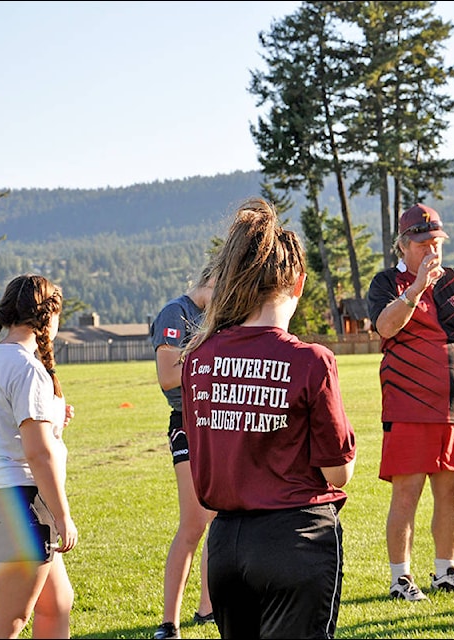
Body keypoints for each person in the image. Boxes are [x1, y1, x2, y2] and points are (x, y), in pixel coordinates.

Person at [181, 197, 356, 639]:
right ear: (298, 282)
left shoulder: (198, 357)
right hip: (295, 539)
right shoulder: (312, 360)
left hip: (224, 547)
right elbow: (338, 471)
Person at [366, 202, 454, 601]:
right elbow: (385, 327)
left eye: (436, 242)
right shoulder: (387, 282)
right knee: (406, 492)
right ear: (403, 246)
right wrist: (416, 287)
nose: (431, 250)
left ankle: (446, 571)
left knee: (452, 491)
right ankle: (400, 578)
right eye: (422, 243)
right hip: (408, 406)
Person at [0, 274, 77, 638]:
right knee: (8, 621)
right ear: (49, 318)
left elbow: (0, 431)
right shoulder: (28, 368)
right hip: (21, 502)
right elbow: (38, 452)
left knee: (57, 602)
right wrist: (63, 517)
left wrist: (51, 421)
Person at [149, 263, 217, 640]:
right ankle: (168, 623)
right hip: (187, 422)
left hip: (215, 421)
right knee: (193, 524)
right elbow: (167, 375)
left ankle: (208, 609)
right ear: (210, 280)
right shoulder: (177, 312)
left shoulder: (216, 314)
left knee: (219, 517)